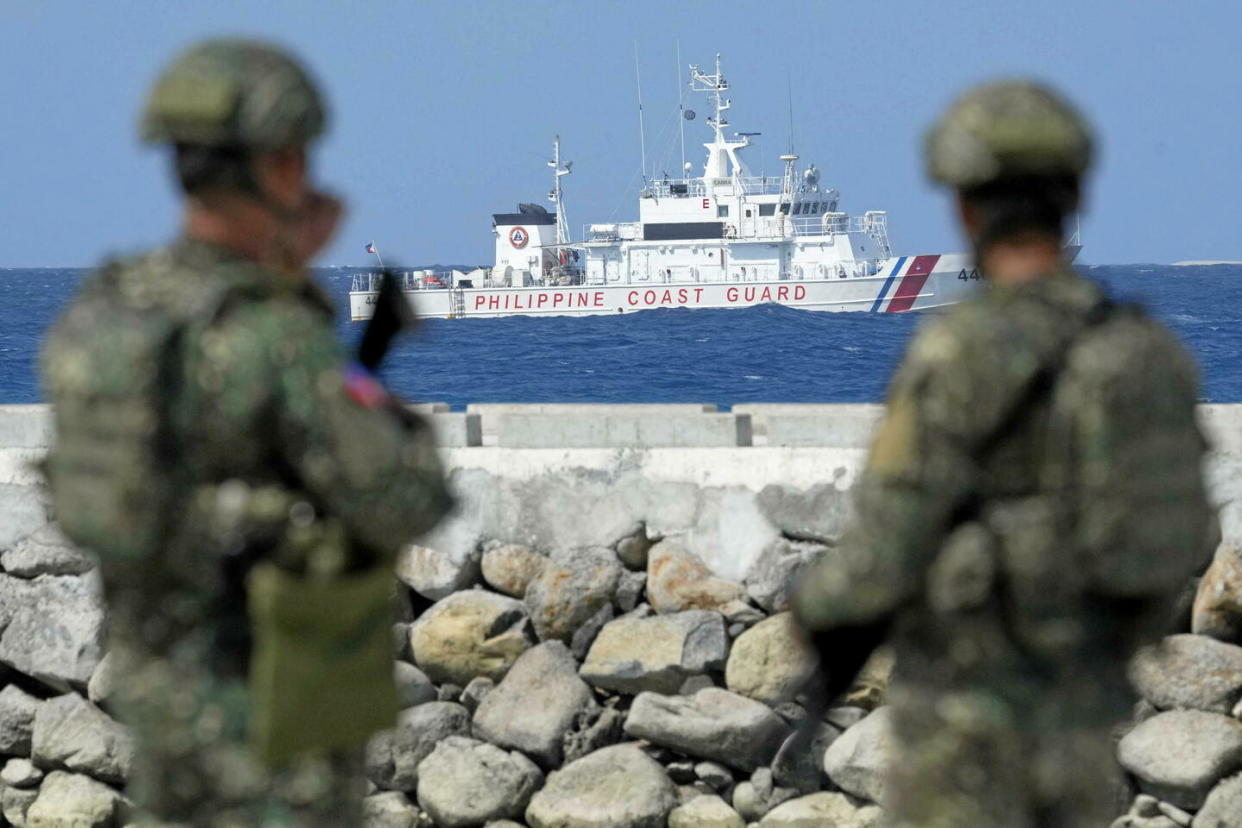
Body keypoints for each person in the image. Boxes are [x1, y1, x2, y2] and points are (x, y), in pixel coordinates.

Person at [41, 38, 452, 825]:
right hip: (273, 720)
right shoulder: (271, 334)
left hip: (160, 707)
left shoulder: (99, 316)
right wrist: (302, 297)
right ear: (281, 163)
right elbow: (406, 496)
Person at [792, 81, 1215, 828]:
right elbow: (1179, 538)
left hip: (960, 734)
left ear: (962, 206)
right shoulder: (1151, 353)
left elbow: (884, 544)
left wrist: (816, 619)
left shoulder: (955, 350)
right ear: (1078, 192)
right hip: (1087, 721)